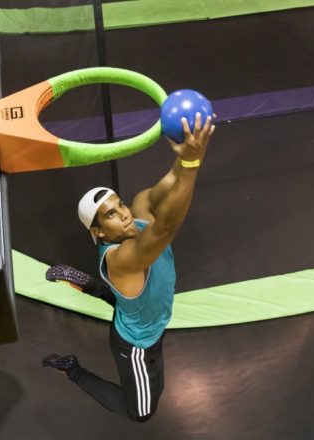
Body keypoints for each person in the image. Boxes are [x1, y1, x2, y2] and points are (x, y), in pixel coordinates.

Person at [42, 112, 215, 422]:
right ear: (98, 233)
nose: (122, 214)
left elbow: (171, 184)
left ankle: (85, 282)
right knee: (141, 411)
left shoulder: (138, 211)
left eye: (118, 204)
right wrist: (192, 163)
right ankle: (73, 370)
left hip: (146, 321)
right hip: (135, 346)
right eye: (109, 215)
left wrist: (185, 154)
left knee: (126, 302)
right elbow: (164, 229)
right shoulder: (122, 259)